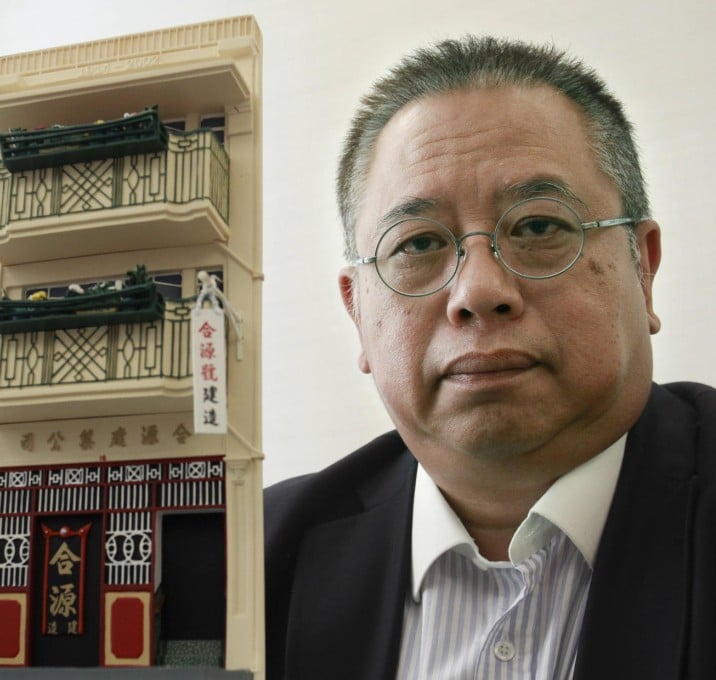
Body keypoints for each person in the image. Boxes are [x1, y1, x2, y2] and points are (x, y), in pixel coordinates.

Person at [264, 36, 716, 679]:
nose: (478, 293)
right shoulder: (252, 560)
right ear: (356, 312)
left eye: (537, 227)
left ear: (643, 269)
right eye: (418, 242)